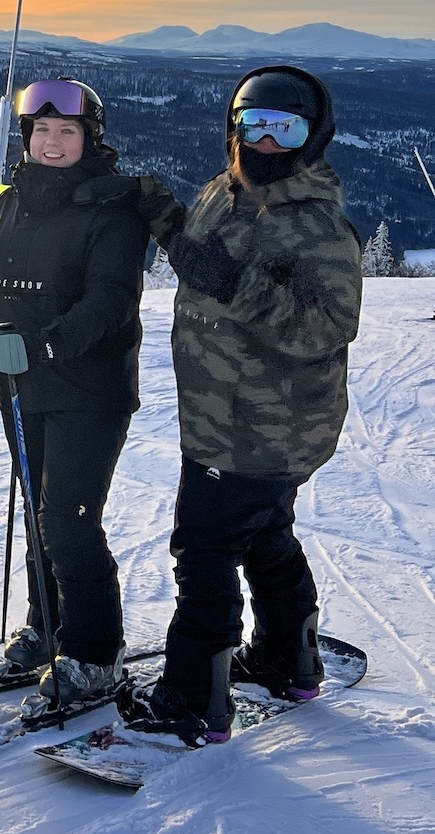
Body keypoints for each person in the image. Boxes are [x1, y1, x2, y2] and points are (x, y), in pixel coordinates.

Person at [115, 65, 362, 745]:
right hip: (227, 416)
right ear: (234, 129)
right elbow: (202, 260)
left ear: (315, 136)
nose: (268, 141)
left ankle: (194, 700)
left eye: (287, 128)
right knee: (264, 535)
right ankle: (288, 660)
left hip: (260, 428)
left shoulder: (316, 224)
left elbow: (327, 327)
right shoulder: (224, 193)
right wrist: (161, 213)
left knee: (204, 552)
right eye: (255, 125)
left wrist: (236, 286)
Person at [0, 78, 149, 707]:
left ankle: (96, 654)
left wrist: (43, 345)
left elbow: (110, 301)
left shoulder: (113, 208)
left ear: (90, 137)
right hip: (22, 386)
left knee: (69, 522)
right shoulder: (8, 203)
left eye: (66, 131)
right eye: (41, 130)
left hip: (88, 389)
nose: (51, 142)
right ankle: (48, 625)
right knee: (38, 514)